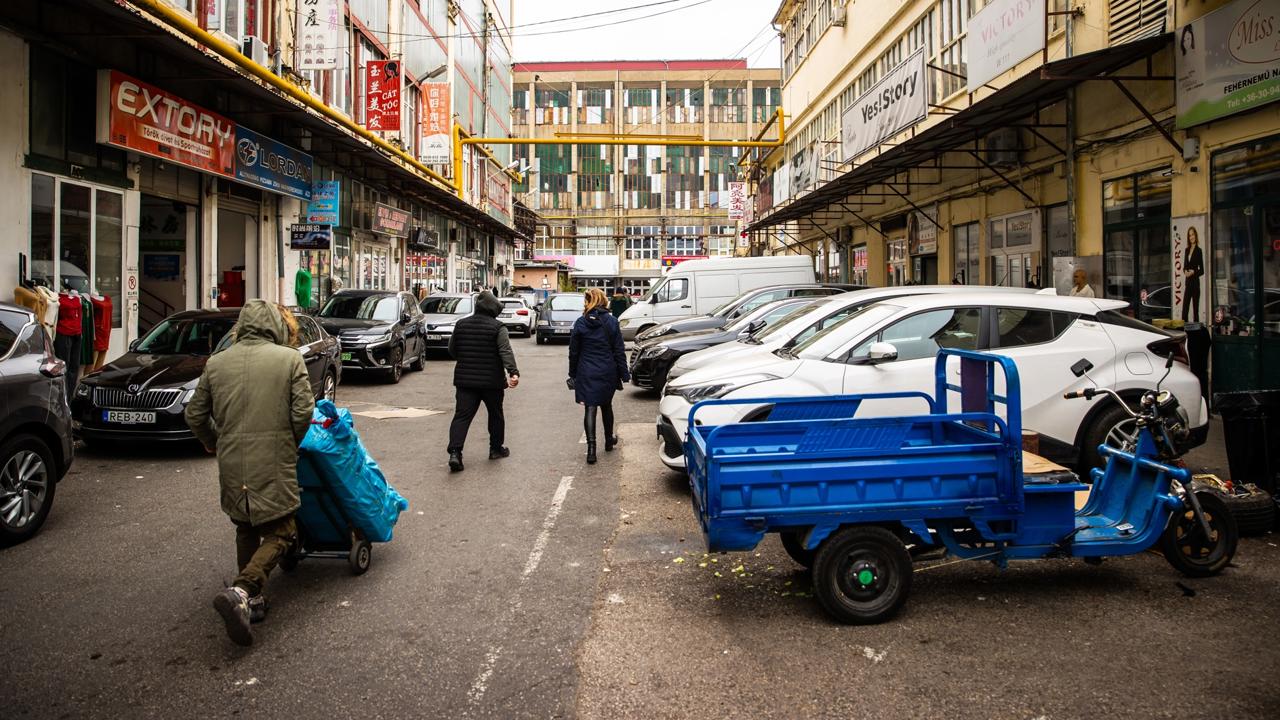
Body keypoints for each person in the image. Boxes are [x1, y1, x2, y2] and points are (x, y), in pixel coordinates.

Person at [186, 300, 315, 647]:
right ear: (274, 325)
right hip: (273, 457)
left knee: (246, 524)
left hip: (232, 459)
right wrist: (290, 440)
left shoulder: (217, 363)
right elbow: (304, 411)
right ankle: (243, 591)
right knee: (282, 531)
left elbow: (195, 414)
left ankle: (252, 602)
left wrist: (213, 442)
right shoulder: (288, 359)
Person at [447, 291, 520, 472]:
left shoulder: (461, 324)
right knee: (495, 414)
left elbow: (452, 350)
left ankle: (455, 453)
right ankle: (495, 449)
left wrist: (465, 358)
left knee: (462, 416)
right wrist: (513, 372)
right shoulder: (498, 327)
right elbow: (505, 351)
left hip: (465, 381)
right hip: (491, 381)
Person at [569, 288, 630, 464]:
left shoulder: (581, 323)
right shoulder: (612, 322)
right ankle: (609, 441)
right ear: (603, 300)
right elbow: (619, 350)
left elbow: (574, 352)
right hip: (607, 369)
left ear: (588, 302)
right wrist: (624, 374)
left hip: (586, 370)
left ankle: (591, 450)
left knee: (590, 407)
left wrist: (573, 373)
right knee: (606, 405)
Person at [1182, 226, 1204, 323]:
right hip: (1188, 284)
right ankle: (1184, 333)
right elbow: (1184, 266)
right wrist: (1185, 272)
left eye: (1193, 234)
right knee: (1184, 310)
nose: (1191, 237)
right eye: (1190, 235)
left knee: (1195, 311)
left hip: (1195, 285)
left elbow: (1202, 270)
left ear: (1196, 235)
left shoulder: (1199, 251)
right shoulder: (1187, 250)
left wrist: (1194, 272)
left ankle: (1196, 334)